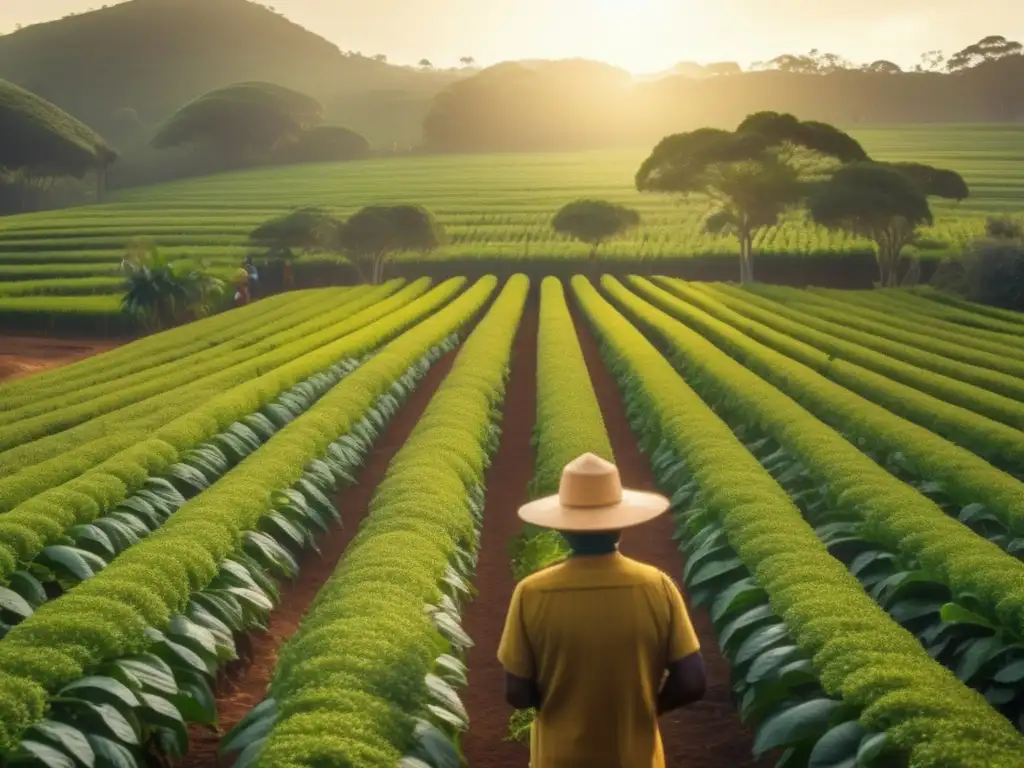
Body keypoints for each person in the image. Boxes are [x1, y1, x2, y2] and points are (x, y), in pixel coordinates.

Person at [498, 453, 707, 768]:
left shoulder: (531, 593)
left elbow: (517, 693)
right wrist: (648, 708)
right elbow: (692, 681)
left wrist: (556, 704)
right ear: (621, 525)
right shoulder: (657, 587)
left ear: (562, 529)